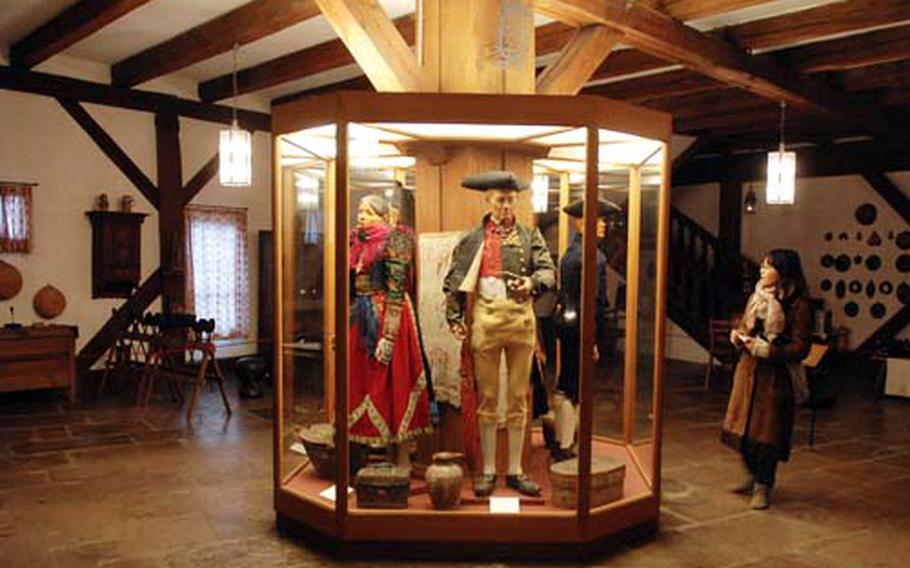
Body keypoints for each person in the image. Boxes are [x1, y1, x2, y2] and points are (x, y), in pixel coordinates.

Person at [443, 170, 556, 497]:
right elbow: (453, 281)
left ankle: (517, 471)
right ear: (488, 200)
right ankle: (489, 470)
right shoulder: (471, 238)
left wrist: (533, 283)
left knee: (519, 398)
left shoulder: (529, 234)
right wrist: (454, 317)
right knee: (488, 399)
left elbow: (548, 269)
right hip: (486, 320)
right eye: (500, 199)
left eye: (510, 199)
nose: (506, 205)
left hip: (520, 320)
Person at [721, 249, 812, 510]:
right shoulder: (758, 296)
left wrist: (770, 350)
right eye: (762, 266)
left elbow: (801, 347)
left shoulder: (798, 304)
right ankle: (751, 475)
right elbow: (747, 326)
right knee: (744, 430)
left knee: (767, 434)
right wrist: (738, 336)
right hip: (748, 372)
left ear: (783, 272)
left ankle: (763, 485)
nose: (762, 271)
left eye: (768, 267)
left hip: (775, 378)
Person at [348, 195, 431, 469]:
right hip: (362, 315)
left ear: (383, 217)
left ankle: (403, 455)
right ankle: (375, 453)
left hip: (389, 314)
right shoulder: (356, 242)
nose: (361, 216)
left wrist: (390, 334)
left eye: (368, 212)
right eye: (360, 210)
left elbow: (397, 289)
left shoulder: (396, 240)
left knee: (396, 381)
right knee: (364, 382)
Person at [552, 198, 619, 462]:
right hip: (580, 328)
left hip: (570, 326)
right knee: (573, 387)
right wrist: (591, 340)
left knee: (568, 384)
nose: (603, 225)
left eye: (603, 220)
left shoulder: (574, 253)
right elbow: (592, 303)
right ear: (581, 223)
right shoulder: (591, 257)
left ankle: (563, 440)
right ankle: (566, 445)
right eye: (598, 220)